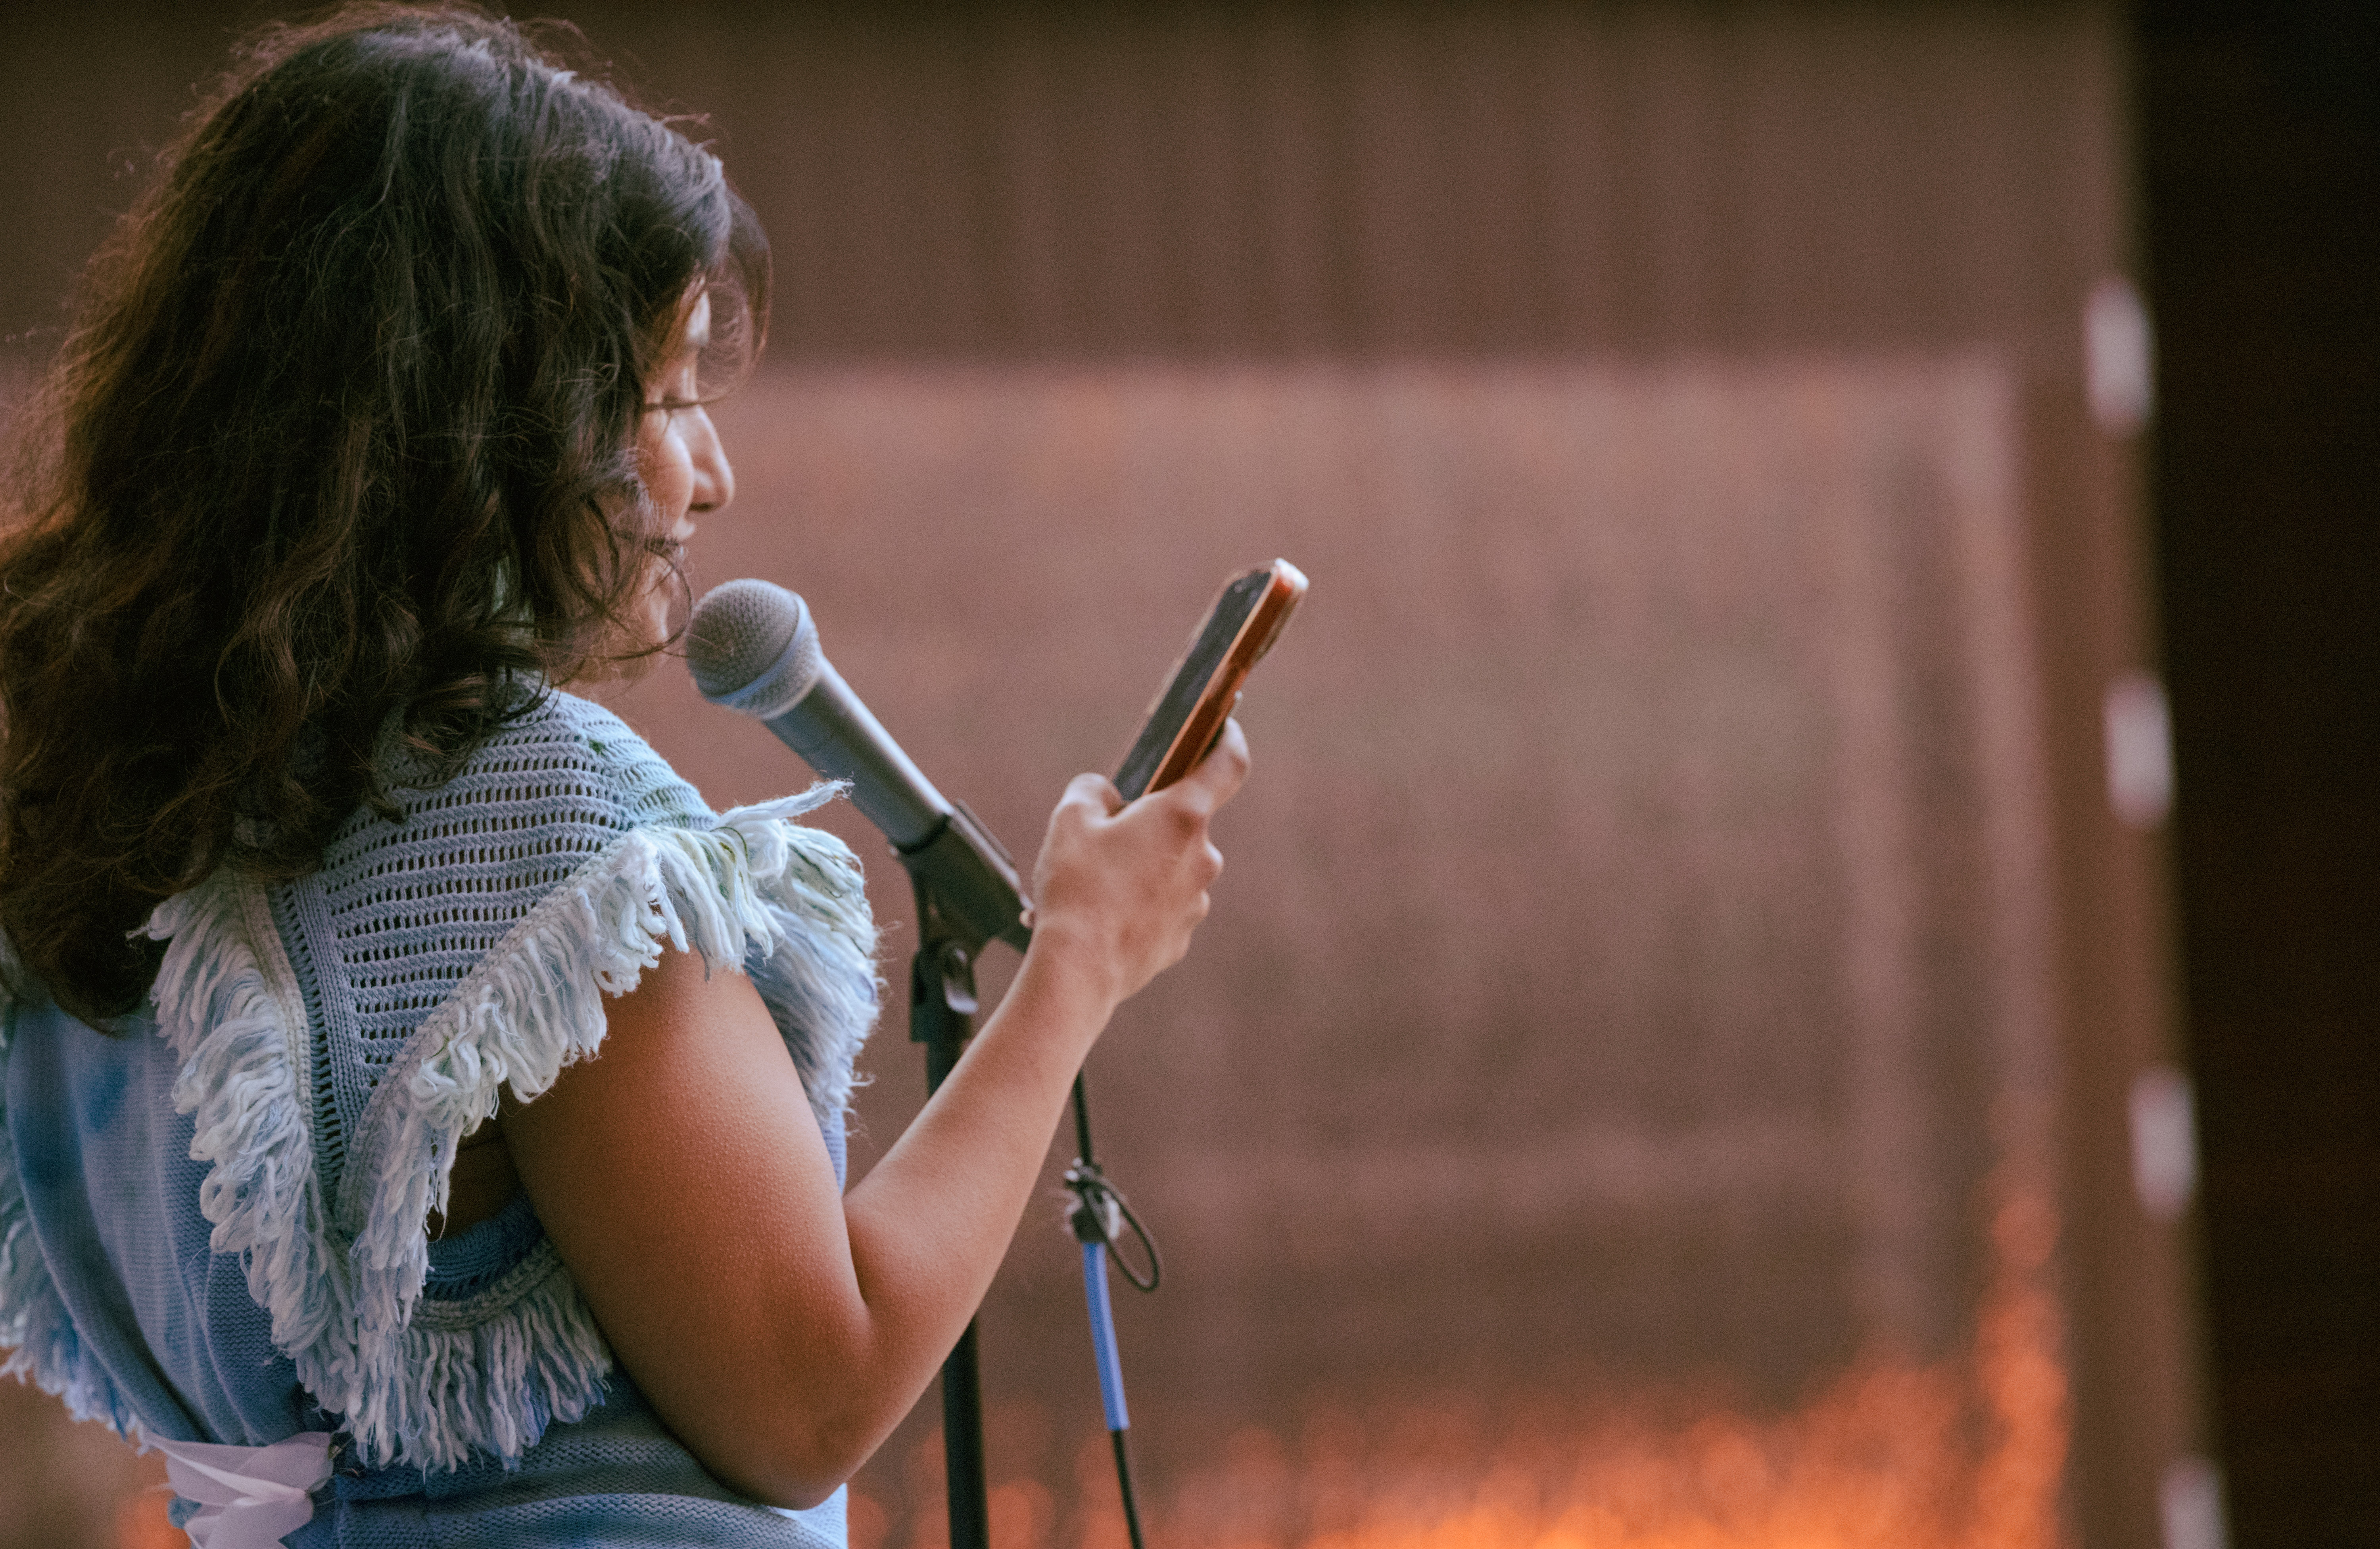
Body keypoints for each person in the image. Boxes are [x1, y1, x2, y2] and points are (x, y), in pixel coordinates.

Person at [0, 6, 1247, 1544]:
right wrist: (1078, 962)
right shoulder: (533, 827)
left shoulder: (106, 822)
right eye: (664, 400)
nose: (710, 471)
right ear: (485, 424)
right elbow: (809, 1395)